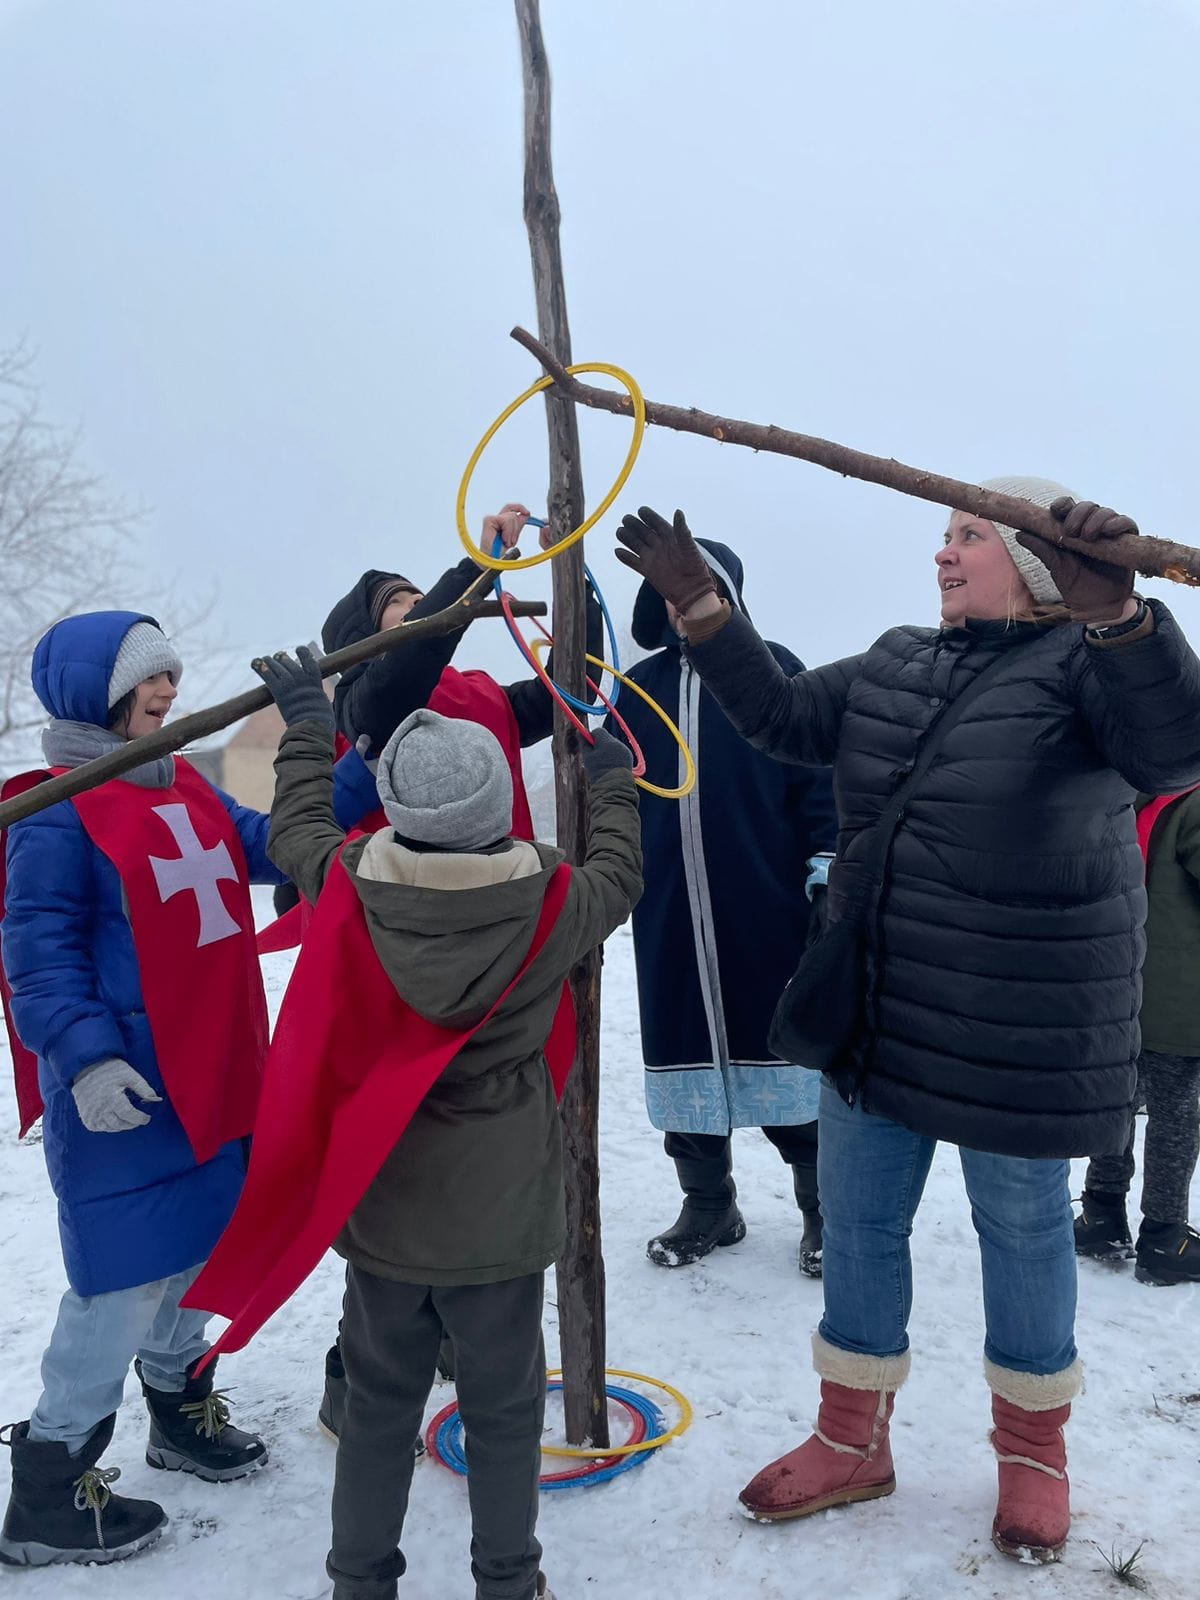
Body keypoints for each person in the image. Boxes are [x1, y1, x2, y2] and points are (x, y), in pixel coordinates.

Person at [614, 481, 1200, 1564]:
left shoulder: (1089, 672)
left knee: (1022, 1228)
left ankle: (1033, 1457)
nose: (942, 555)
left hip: (1015, 1021)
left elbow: (1174, 751)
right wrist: (705, 615)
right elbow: (785, 721)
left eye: (968, 535)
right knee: (861, 1216)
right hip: (877, 999)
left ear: (1030, 562)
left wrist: (1123, 620)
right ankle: (851, 1437)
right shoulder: (893, 659)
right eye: (944, 534)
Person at [240, 647, 643, 1600]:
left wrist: (307, 721)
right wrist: (615, 776)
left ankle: (360, 1580)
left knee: (378, 1407)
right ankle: (509, 1580)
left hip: (385, 1204)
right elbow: (620, 872)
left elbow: (297, 822)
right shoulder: (555, 901)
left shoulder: (345, 885)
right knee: (504, 1412)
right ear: (495, 808)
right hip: (503, 1214)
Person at [311, 504, 602, 1437]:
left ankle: (456, 1333)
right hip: (418, 945)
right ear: (363, 639)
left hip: (508, 928)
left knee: (494, 1138)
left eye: (418, 597)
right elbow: (410, 658)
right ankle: (358, 1375)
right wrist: (483, 560)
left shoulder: (469, 692)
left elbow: (562, 694)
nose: (422, 608)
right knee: (411, 1148)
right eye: (399, 603)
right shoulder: (377, 700)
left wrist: (576, 593)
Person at [0, 612, 279, 1567]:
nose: (169, 686)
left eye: (169, 672)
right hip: (124, 1094)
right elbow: (36, 956)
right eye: (146, 677)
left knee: (201, 1251)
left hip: (216, 1072)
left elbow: (275, 846)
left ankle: (179, 1413)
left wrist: (325, 742)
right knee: (120, 1283)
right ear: (95, 694)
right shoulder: (54, 809)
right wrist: (83, 1058)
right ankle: (46, 1488)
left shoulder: (189, 785)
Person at [612, 539, 836, 1273]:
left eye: (699, 589)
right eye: (673, 594)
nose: (685, 605)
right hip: (670, 914)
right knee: (685, 1059)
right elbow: (611, 798)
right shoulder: (635, 689)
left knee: (788, 1058)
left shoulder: (773, 669)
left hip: (767, 907)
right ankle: (709, 1202)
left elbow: (817, 778)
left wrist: (826, 868)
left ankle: (822, 1206)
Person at [1075, 787, 1200, 1284]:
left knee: (1120, 1100)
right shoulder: (1194, 804)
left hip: (1123, 985)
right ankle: (1165, 1236)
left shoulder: (1131, 794)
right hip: (1179, 999)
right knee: (1177, 1115)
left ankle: (1101, 1212)